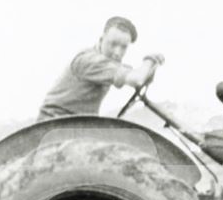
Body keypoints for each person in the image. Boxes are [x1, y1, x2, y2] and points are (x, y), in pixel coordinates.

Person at [37, 16, 165, 121]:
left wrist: (151, 70)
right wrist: (150, 60)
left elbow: (138, 78)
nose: (117, 52)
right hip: (55, 124)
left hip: (76, 125)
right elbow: (136, 79)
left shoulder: (108, 64)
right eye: (113, 44)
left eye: (123, 47)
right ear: (102, 39)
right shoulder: (90, 61)